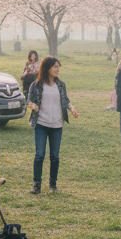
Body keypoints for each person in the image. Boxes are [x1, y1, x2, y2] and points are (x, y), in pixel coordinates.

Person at [26, 56, 80, 194]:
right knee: (39, 155)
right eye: (55, 66)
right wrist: (33, 106)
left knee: (55, 156)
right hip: (41, 124)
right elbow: (29, 101)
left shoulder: (61, 85)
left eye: (58, 67)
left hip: (57, 124)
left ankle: (53, 185)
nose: (58, 69)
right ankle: (36, 186)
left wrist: (72, 108)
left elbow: (65, 99)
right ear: (47, 68)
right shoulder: (36, 85)